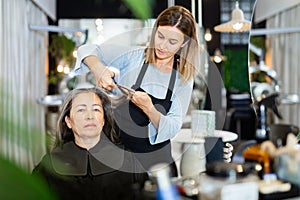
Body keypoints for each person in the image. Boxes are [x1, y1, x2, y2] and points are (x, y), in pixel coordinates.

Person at [75, 5, 200, 175]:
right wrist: (99, 69)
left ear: (184, 43)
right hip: (119, 157)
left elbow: (173, 127)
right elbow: (86, 49)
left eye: (172, 42)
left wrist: (149, 108)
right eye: (160, 36)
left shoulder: (183, 78)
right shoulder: (134, 57)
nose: (162, 46)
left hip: (157, 163)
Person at [32, 88, 147, 200]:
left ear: (103, 120)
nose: (90, 116)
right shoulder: (50, 165)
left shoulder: (128, 161)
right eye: (81, 110)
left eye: (96, 109)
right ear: (68, 121)